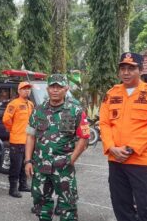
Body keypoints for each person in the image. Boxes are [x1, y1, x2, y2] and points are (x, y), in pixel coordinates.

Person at [99, 52, 147, 221]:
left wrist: (130, 149)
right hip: (115, 160)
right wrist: (111, 147)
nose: (126, 72)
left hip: (141, 161)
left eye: (131, 68)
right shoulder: (111, 93)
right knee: (121, 207)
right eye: (122, 68)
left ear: (141, 70)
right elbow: (104, 123)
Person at [24, 74, 90, 221]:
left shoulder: (75, 111)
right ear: (47, 89)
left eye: (59, 87)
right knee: (41, 205)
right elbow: (30, 136)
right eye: (52, 86)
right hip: (40, 166)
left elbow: (84, 138)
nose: (55, 90)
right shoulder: (38, 110)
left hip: (63, 167)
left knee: (68, 207)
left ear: (66, 88)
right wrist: (28, 161)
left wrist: (71, 159)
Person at [3, 82, 34, 198]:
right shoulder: (13, 104)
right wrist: (13, 129)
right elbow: (6, 119)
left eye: (28, 89)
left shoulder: (30, 104)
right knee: (15, 165)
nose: (27, 91)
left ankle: (23, 185)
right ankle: (13, 189)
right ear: (19, 91)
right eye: (24, 89)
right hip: (17, 140)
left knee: (24, 164)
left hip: (28, 141)